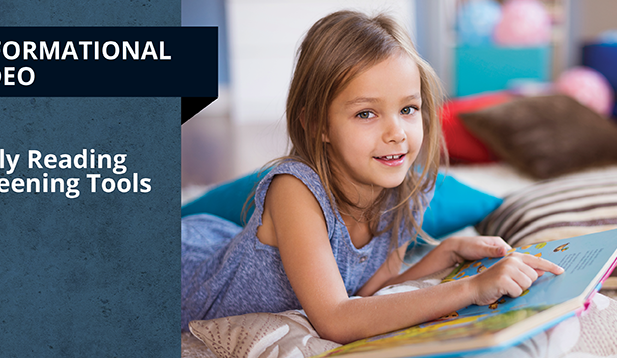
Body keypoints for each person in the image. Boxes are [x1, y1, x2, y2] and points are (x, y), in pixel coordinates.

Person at [181, 10, 564, 344]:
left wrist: (445, 253)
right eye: (367, 113)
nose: (396, 132)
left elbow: (371, 294)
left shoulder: (405, 193)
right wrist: (471, 288)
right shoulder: (295, 190)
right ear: (318, 125)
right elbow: (335, 319)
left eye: (408, 109)